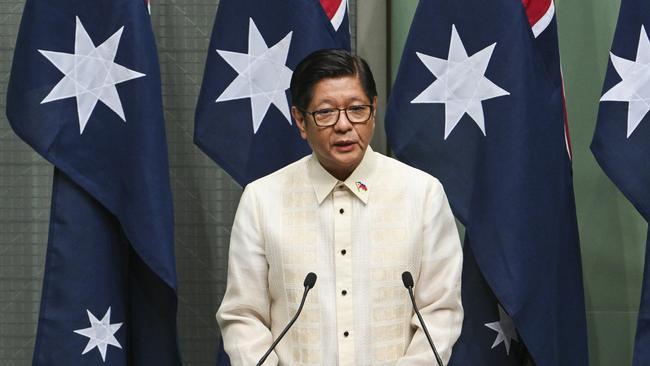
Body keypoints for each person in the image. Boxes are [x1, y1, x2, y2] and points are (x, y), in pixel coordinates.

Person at [216, 49, 463, 365]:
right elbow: (242, 315)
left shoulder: (423, 194)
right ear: (301, 121)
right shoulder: (262, 199)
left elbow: (440, 311)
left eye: (357, 109)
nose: (344, 125)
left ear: (374, 110)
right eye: (326, 112)